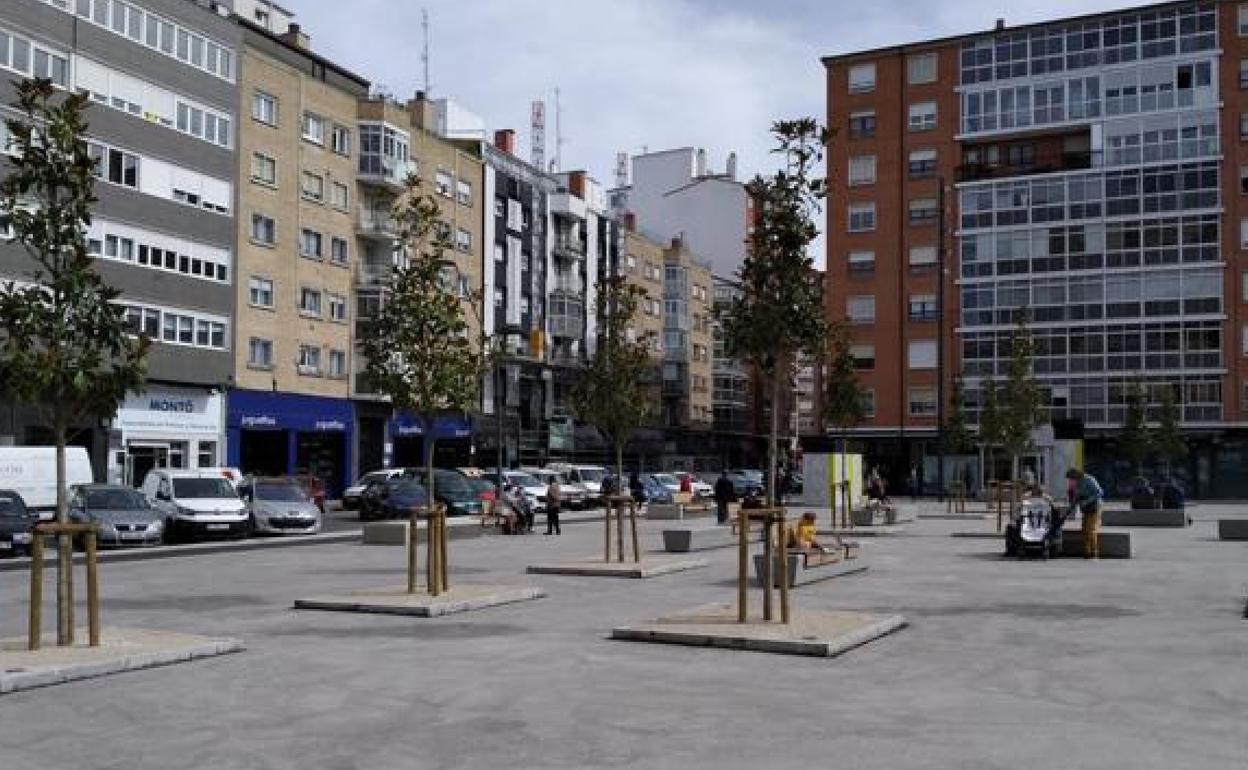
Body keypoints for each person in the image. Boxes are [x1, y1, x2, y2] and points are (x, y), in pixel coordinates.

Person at [1067, 468, 1103, 558]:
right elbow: (1075, 497)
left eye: (1071, 479)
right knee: (1084, 529)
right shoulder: (1074, 485)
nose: (1070, 481)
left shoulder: (1089, 480)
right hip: (1085, 508)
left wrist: (1087, 501)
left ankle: (1094, 551)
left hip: (1094, 505)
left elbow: (1099, 492)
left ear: (1076, 477)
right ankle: (1087, 552)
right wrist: (1071, 506)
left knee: (1090, 529)